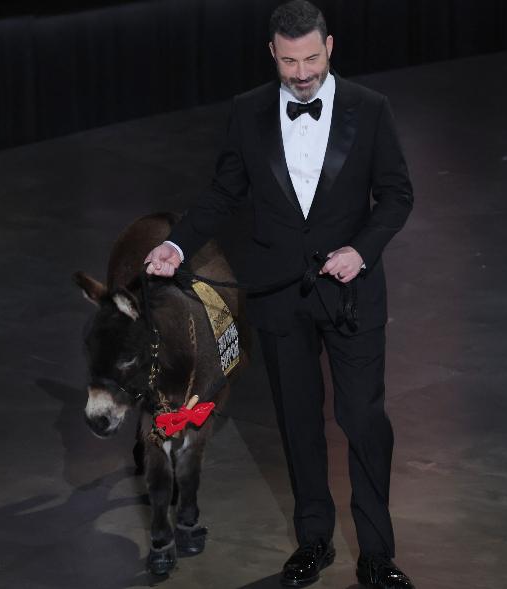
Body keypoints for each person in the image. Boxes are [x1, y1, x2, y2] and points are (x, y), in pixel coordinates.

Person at [144, 1, 414, 587]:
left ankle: (377, 554)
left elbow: (396, 195)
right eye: (289, 61)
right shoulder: (248, 112)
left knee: (362, 419)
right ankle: (313, 542)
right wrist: (177, 246)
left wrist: (361, 250)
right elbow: (223, 193)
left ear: (330, 47)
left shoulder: (370, 110)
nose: (301, 72)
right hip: (278, 295)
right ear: (273, 53)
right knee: (297, 423)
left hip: (351, 293)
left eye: (311, 57)